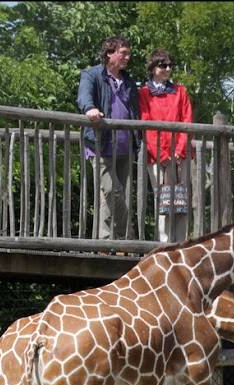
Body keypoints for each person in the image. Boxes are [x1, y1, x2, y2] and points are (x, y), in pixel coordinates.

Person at [77, 36, 141, 240]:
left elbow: (135, 111)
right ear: (109, 53)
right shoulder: (92, 74)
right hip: (100, 144)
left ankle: (106, 242)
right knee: (113, 191)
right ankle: (127, 238)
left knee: (110, 197)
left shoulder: (129, 81)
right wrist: (90, 108)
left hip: (125, 146)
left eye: (128, 53)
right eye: (123, 53)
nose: (127, 57)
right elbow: (84, 96)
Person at [139, 48, 194, 243]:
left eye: (170, 65)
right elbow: (146, 126)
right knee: (163, 200)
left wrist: (178, 152)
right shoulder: (144, 93)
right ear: (153, 68)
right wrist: (162, 156)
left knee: (181, 201)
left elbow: (187, 122)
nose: (168, 69)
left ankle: (181, 245)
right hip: (156, 157)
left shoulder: (181, 91)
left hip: (181, 156)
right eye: (163, 65)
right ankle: (164, 246)